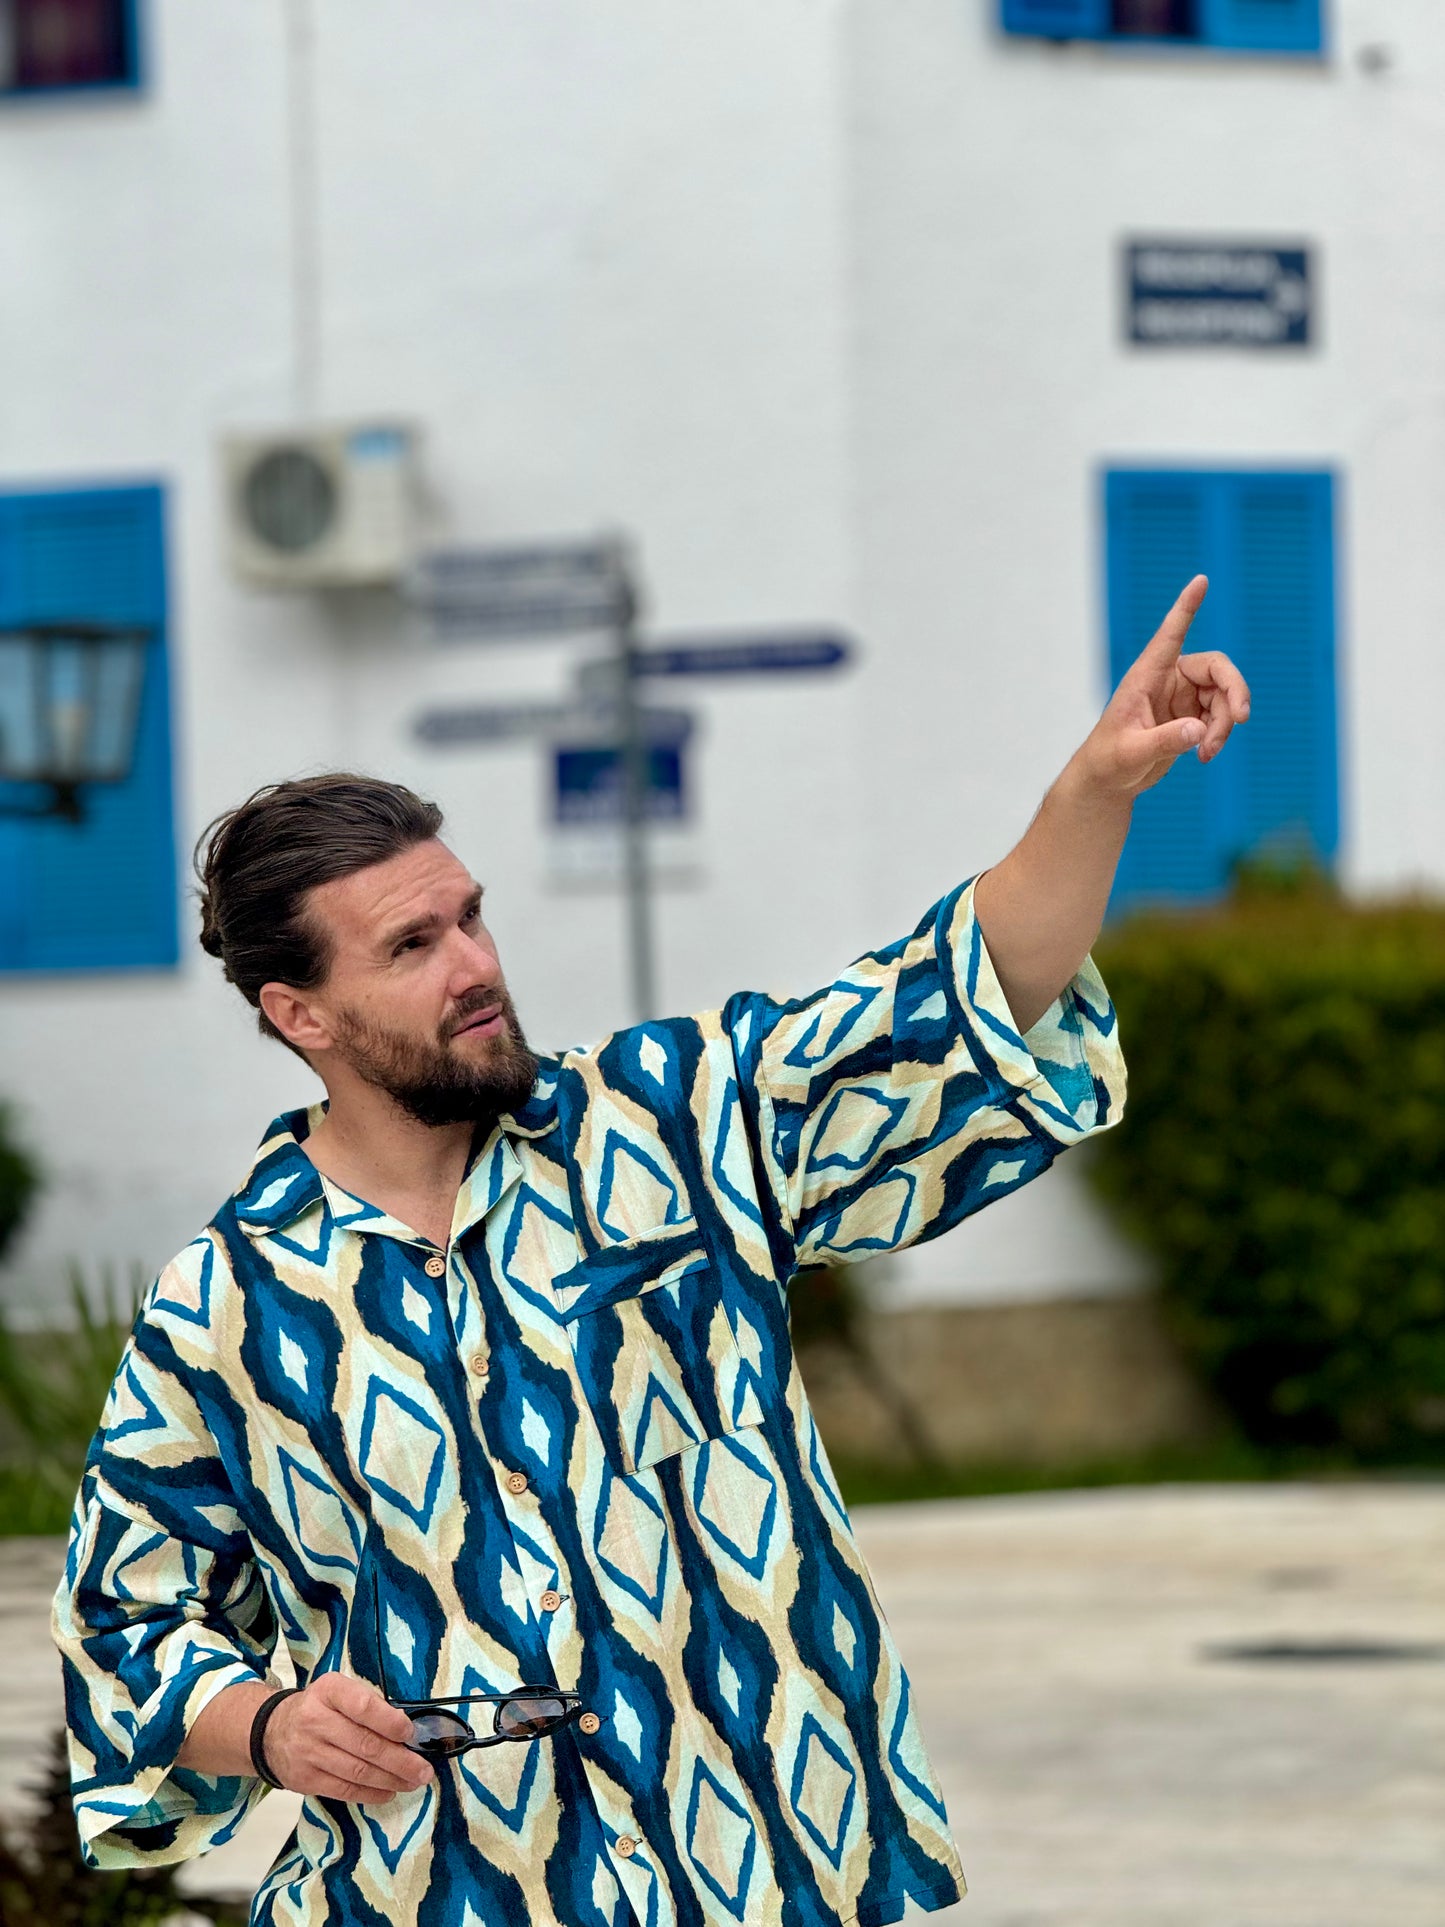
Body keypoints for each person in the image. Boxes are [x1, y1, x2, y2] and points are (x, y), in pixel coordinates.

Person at [54, 579, 1247, 1926]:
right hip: (442, 1894)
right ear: (300, 1014)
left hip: (762, 1871)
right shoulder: (227, 1306)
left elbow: (952, 998)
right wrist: (271, 1729)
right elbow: (127, 1624)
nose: (473, 966)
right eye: (408, 946)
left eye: (468, 918)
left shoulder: (677, 1124)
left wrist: (1095, 791)